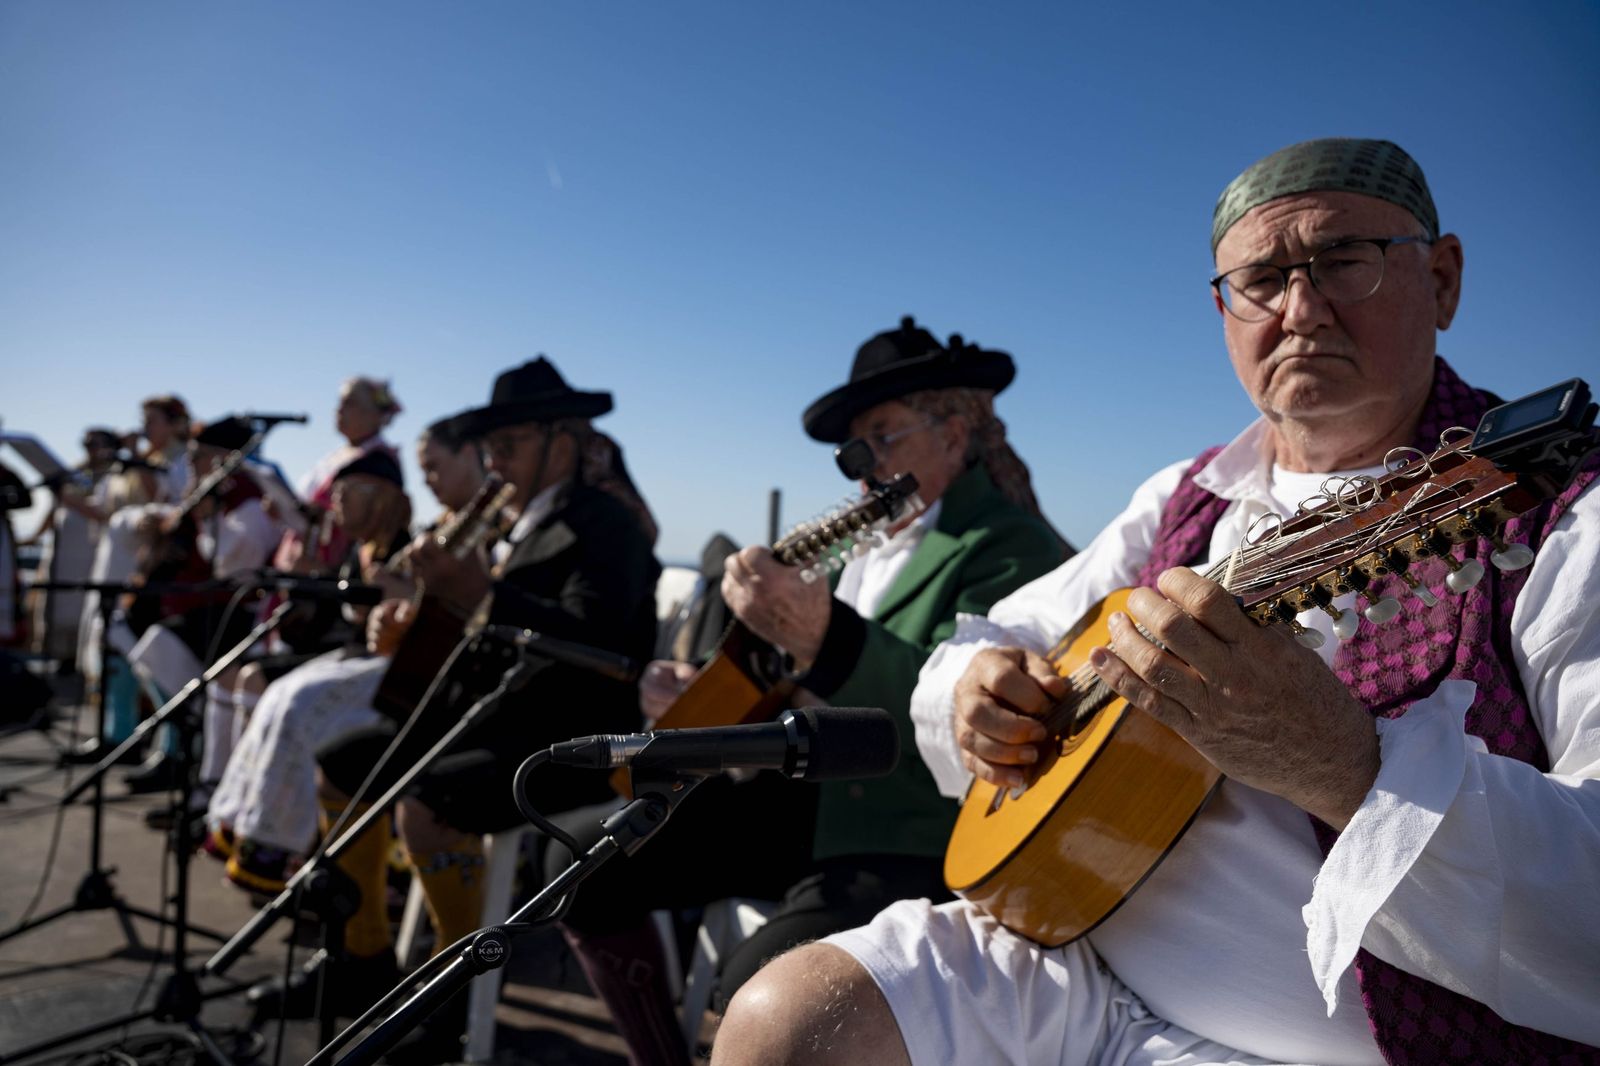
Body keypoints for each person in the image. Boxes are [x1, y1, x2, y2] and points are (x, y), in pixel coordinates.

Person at [714, 139, 1600, 1065]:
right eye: (1262, 278)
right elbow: (992, 638)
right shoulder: (1184, 496)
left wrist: (1347, 765)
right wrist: (978, 688)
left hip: (1331, 1041)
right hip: (1074, 960)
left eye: (1345, 261)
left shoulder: (1560, 518)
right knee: (784, 1022)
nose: (1301, 310)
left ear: (1444, 279)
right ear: (1223, 309)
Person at [556, 317, 1067, 1066]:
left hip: (916, 835)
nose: (864, 469)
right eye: (854, 451)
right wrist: (700, 697)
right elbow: (802, 680)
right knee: (582, 866)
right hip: (813, 804)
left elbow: (962, 715)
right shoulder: (865, 552)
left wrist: (823, 637)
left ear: (955, 434)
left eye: (883, 439)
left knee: (761, 992)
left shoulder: (1010, 549)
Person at [259, 358, 659, 1061]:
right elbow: (486, 638)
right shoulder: (522, 523)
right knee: (342, 767)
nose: (495, 464)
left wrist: (479, 593)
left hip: (572, 738)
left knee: (427, 804)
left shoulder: (607, 524)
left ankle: (452, 987)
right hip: (496, 718)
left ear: (558, 441)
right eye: (490, 451)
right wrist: (414, 623)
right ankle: (365, 959)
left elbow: (597, 642)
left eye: (509, 448)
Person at [202, 447, 414, 892]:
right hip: (342, 656)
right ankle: (248, 817)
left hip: (380, 667)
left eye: (347, 493)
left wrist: (387, 602)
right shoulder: (358, 550)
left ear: (380, 498)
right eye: (334, 493)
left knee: (293, 698)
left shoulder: (406, 553)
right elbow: (320, 627)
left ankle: (285, 838)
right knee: (262, 682)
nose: (336, 504)